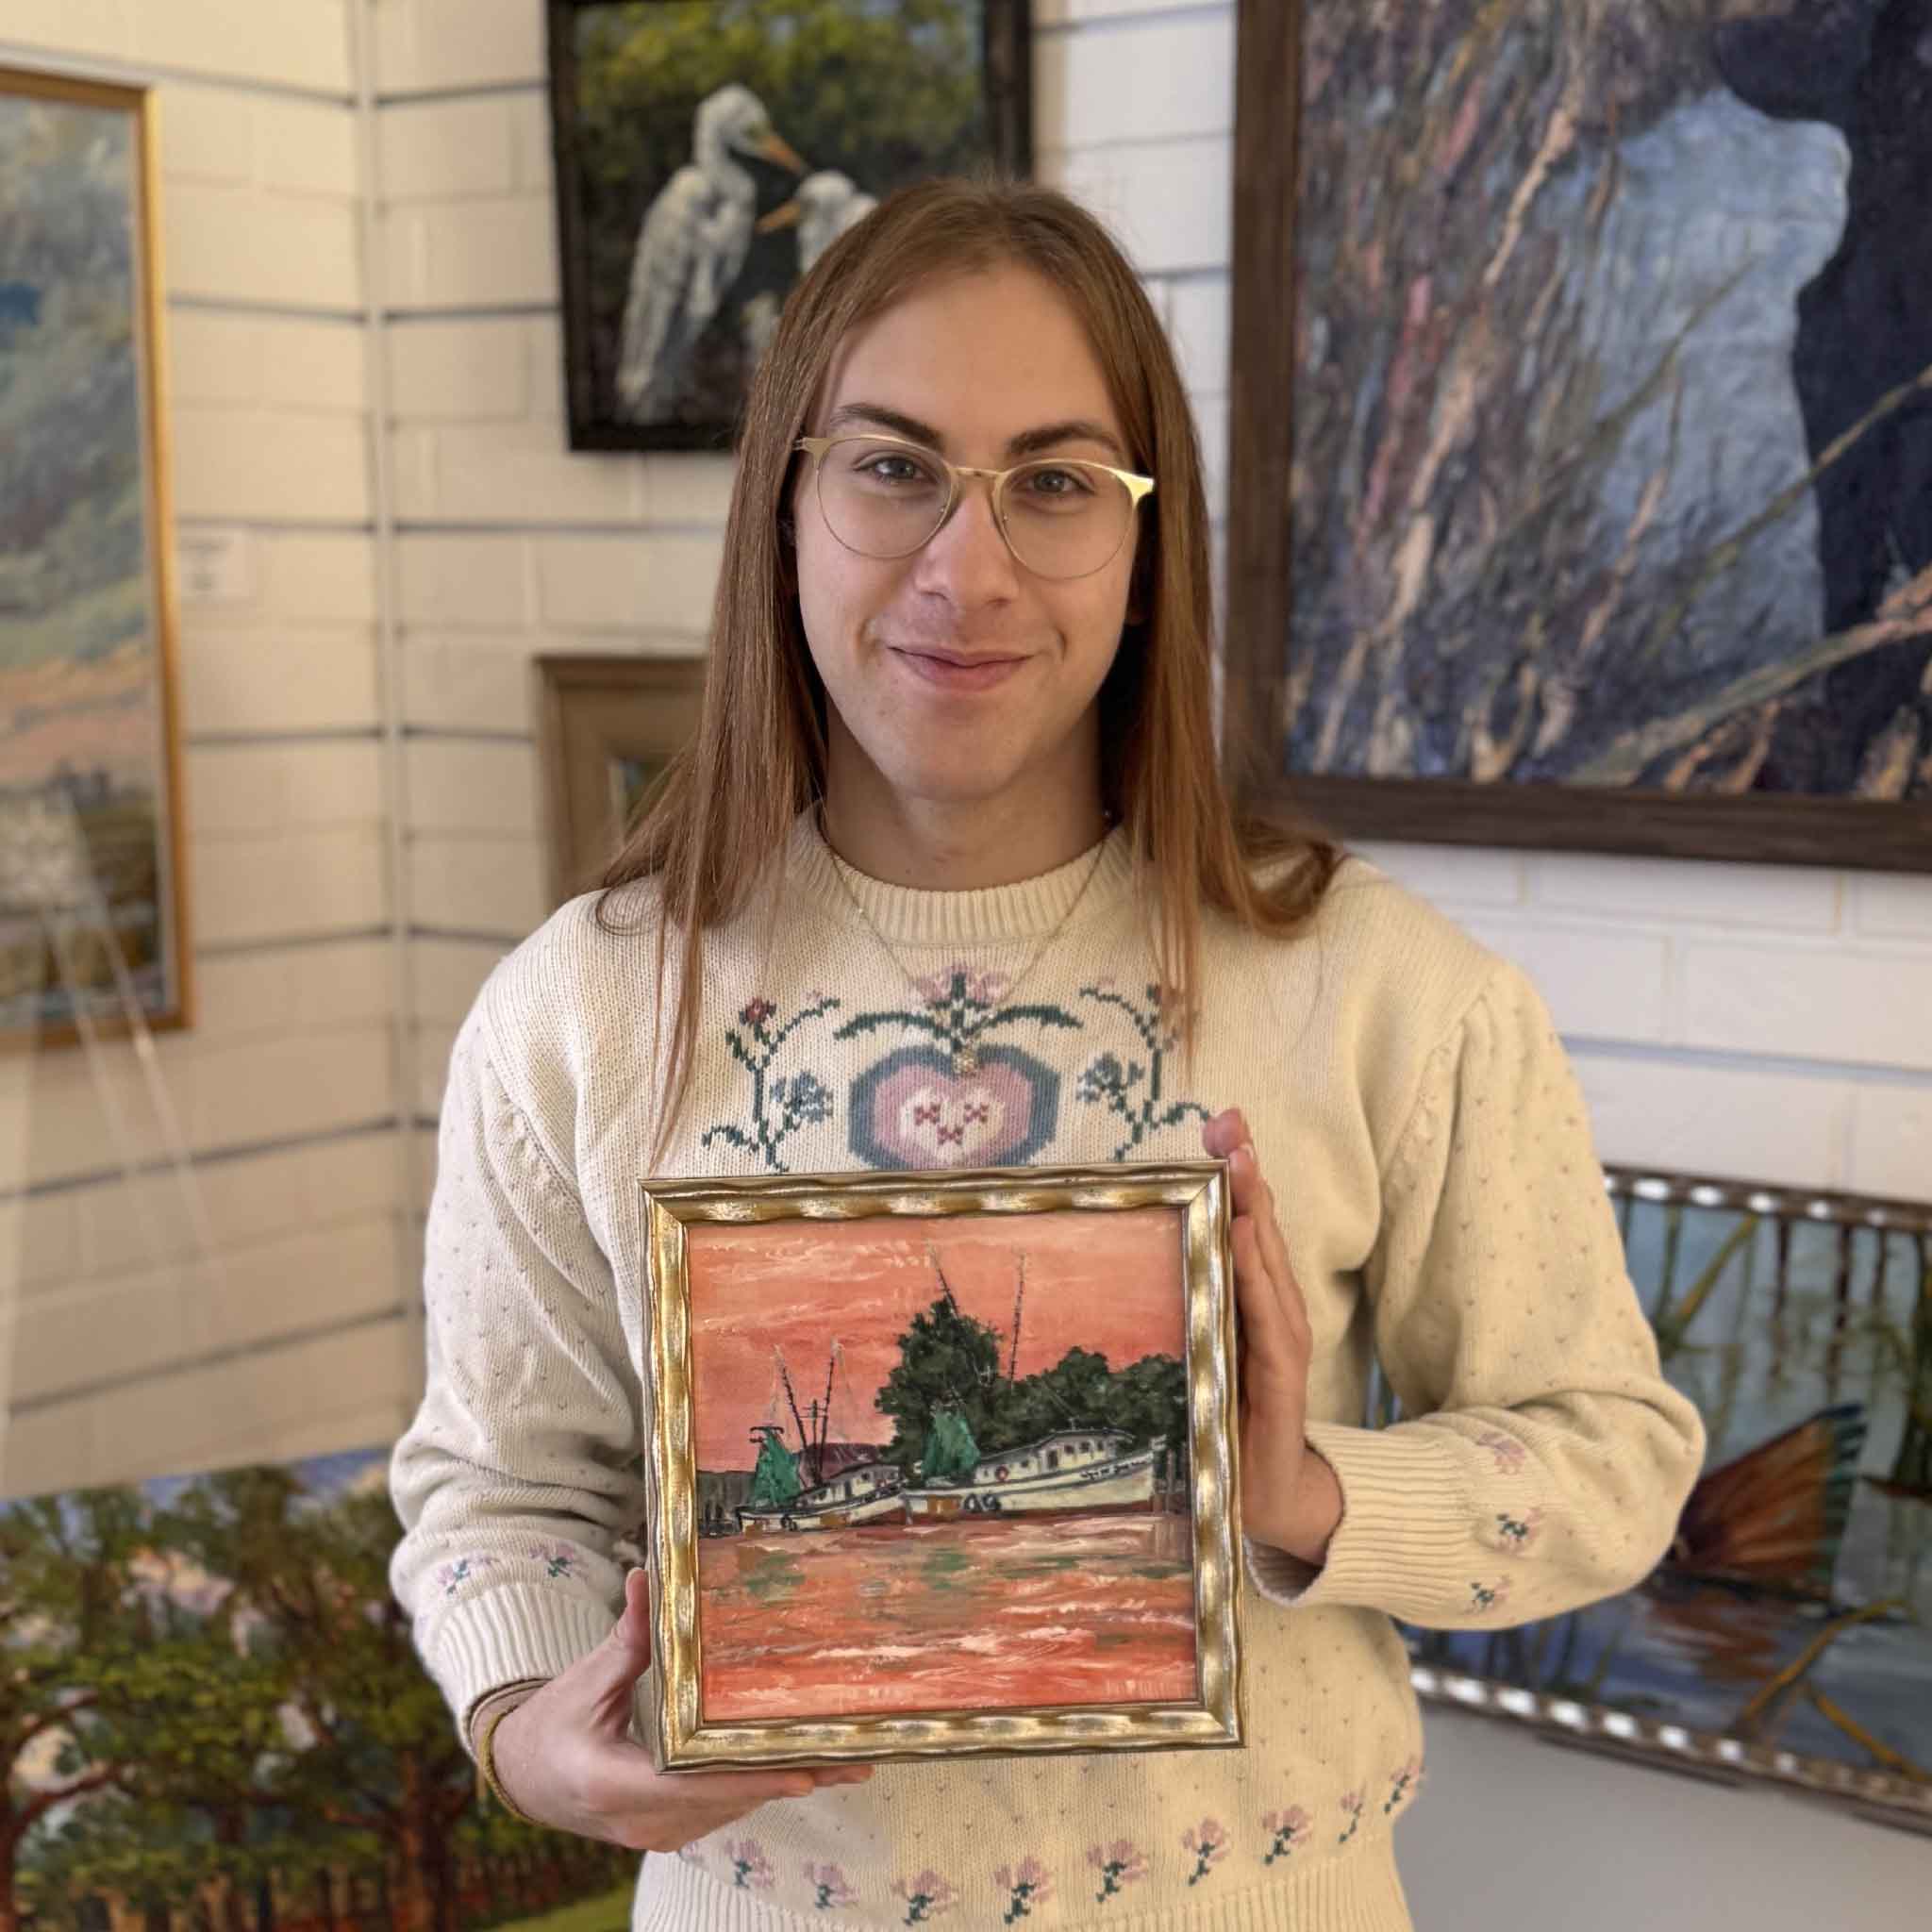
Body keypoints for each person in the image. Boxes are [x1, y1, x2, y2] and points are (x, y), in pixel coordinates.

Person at [390, 177, 1705, 1931]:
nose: (969, 562)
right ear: (784, 501)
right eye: (892, 465)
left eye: (1059, 483)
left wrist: (1309, 1490)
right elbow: (500, 1484)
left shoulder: (1391, 994)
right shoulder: (574, 1016)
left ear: (1148, 545)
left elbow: (1613, 1454)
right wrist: (528, 1730)